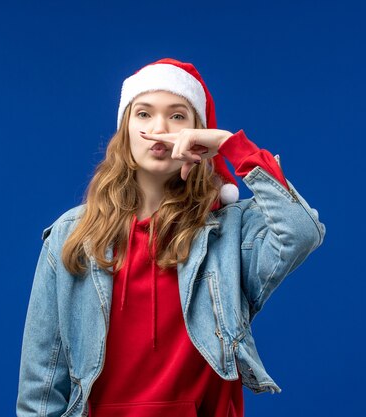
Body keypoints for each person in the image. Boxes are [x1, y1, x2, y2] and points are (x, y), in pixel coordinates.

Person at [16, 58, 326, 417]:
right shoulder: (72, 236)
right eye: (144, 114)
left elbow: (302, 230)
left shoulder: (228, 230)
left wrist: (229, 145)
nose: (158, 129)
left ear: (197, 131)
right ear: (125, 129)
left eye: (177, 116)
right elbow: (41, 383)